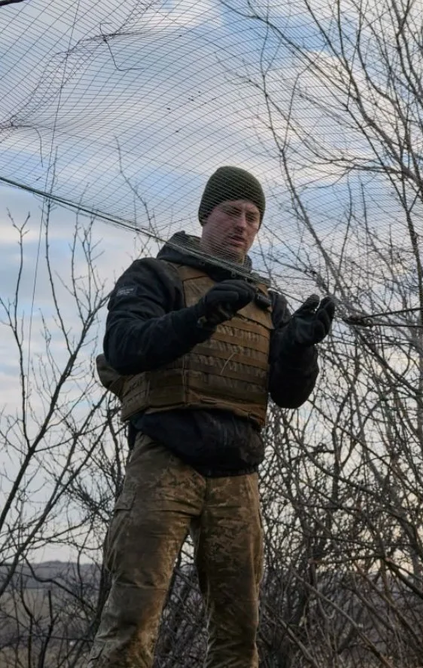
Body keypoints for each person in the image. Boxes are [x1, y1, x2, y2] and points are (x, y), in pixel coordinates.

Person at [89, 166, 336, 668]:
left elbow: (289, 395)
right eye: (231, 212)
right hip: (164, 460)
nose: (241, 224)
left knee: (238, 631)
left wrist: (299, 348)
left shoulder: (268, 302)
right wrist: (201, 316)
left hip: (236, 474)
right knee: (132, 621)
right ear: (206, 215)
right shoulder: (155, 275)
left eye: (252, 216)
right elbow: (124, 345)